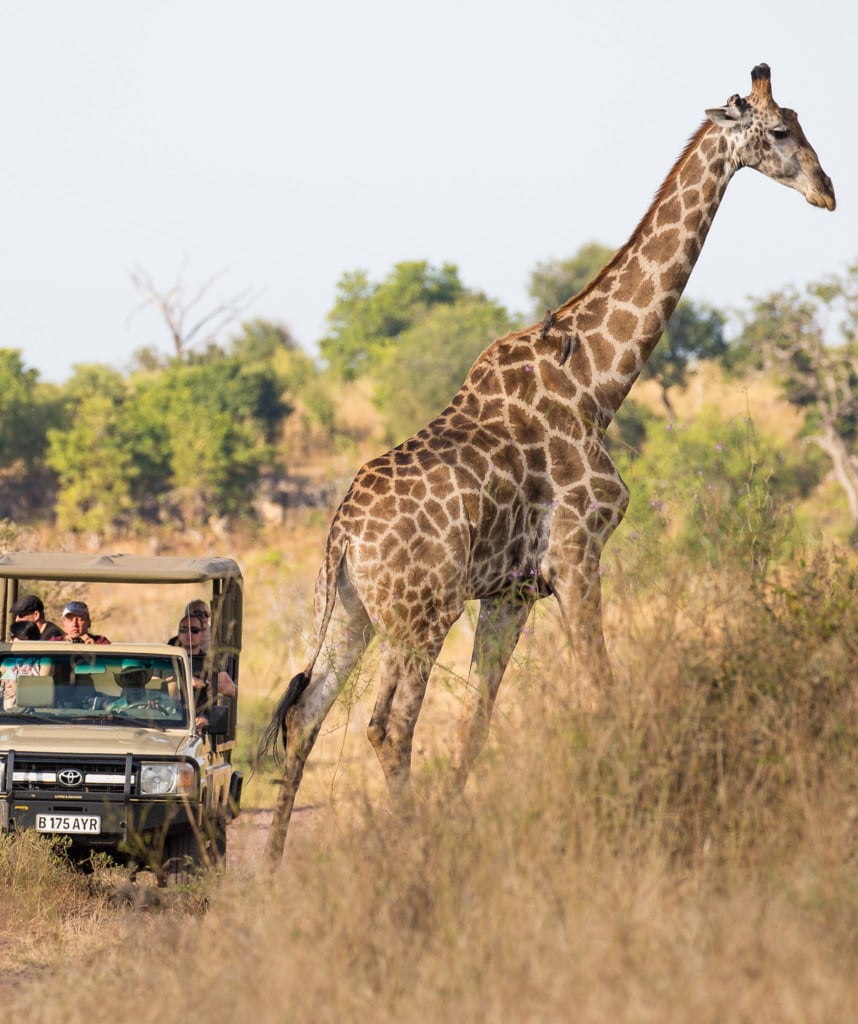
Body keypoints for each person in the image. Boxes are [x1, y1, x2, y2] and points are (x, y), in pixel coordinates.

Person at [175, 613, 235, 727]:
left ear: (202, 635)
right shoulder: (170, 661)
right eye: (184, 629)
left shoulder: (210, 663)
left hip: (201, 725)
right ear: (178, 634)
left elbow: (230, 689)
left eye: (194, 630)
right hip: (171, 720)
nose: (189, 634)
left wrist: (204, 684)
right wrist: (179, 681)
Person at [1, 621, 51, 708]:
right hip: (7, 716)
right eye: (11, 637)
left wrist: (20, 688)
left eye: (14, 636)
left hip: (35, 715)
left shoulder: (44, 660)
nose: (11, 640)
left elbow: (44, 686)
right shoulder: (8, 661)